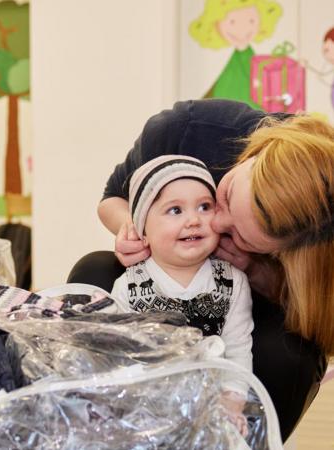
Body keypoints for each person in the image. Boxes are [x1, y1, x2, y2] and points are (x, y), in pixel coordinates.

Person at [67, 99, 333, 441]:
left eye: (240, 234)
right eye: (222, 198)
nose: (213, 223)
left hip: (244, 316)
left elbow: (314, 317)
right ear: (254, 155)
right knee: (94, 270)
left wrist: (254, 270)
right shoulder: (190, 129)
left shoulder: (314, 237)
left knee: (291, 356)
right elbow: (111, 200)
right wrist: (134, 230)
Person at [111, 154, 253, 436]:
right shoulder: (128, 287)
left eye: (204, 206)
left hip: (213, 408)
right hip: (150, 412)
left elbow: (238, 348)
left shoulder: (232, 281)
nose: (193, 220)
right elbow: (119, 358)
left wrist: (233, 401)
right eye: (175, 210)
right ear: (143, 231)